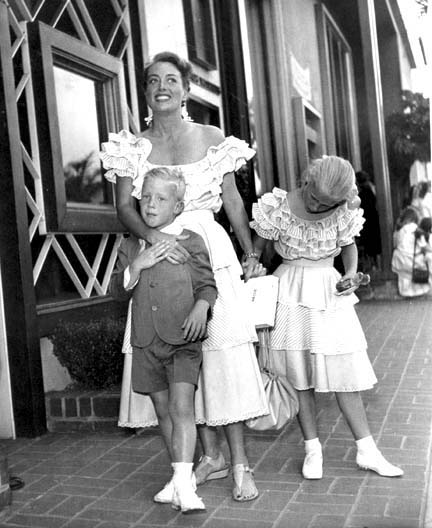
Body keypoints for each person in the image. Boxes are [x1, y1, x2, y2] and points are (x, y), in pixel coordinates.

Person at [101, 51, 268, 502]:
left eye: (172, 79)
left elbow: (232, 201)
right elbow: (123, 208)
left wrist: (250, 251)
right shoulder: (130, 147)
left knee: (221, 356)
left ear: (186, 88)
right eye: (153, 79)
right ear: (145, 91)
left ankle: (238, 465)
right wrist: (156, 239)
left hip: (210, 254)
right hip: (157, 258)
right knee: (170, 357)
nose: (162, 86)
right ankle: (203, 458)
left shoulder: (212, 137)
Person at [249, 156, 403, 479]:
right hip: (288, 292)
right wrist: (251, 265)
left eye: (326, 204)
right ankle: (312, 449)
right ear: (306, 178)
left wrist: (349, 273)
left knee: (344, 371)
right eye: (314, 196)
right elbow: (256, 249)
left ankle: (367, 450)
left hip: (327, 291)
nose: (317, 206)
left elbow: (348, 247)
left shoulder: (342, 211)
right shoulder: (276, 206)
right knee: (299, 375)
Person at [109, 167, 217, 512]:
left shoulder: (191, 241)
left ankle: (185, 487)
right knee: (163, 412)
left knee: (181, 408)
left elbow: (206, 285)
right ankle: (179, 477)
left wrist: (202, 306)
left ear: (179, 207)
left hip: (184, 340)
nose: (151, 205)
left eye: (161, 198)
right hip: (147, 342)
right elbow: (115, 293)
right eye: (147, 197)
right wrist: (136, 266)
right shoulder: (131, 245)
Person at [392, 207, 430, 297]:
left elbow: (395, 245)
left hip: (399, 260)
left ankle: (405, 292)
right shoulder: (417, 229)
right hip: (414, 261)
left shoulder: (399, 230)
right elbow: (423, 246)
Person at [355, 170, 381, 270]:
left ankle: (372, 266)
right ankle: (375, 265)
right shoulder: (372, 190)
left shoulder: (363, 194)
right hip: (373, 222)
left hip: (368, 224)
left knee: (370, 247)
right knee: (373, 248)